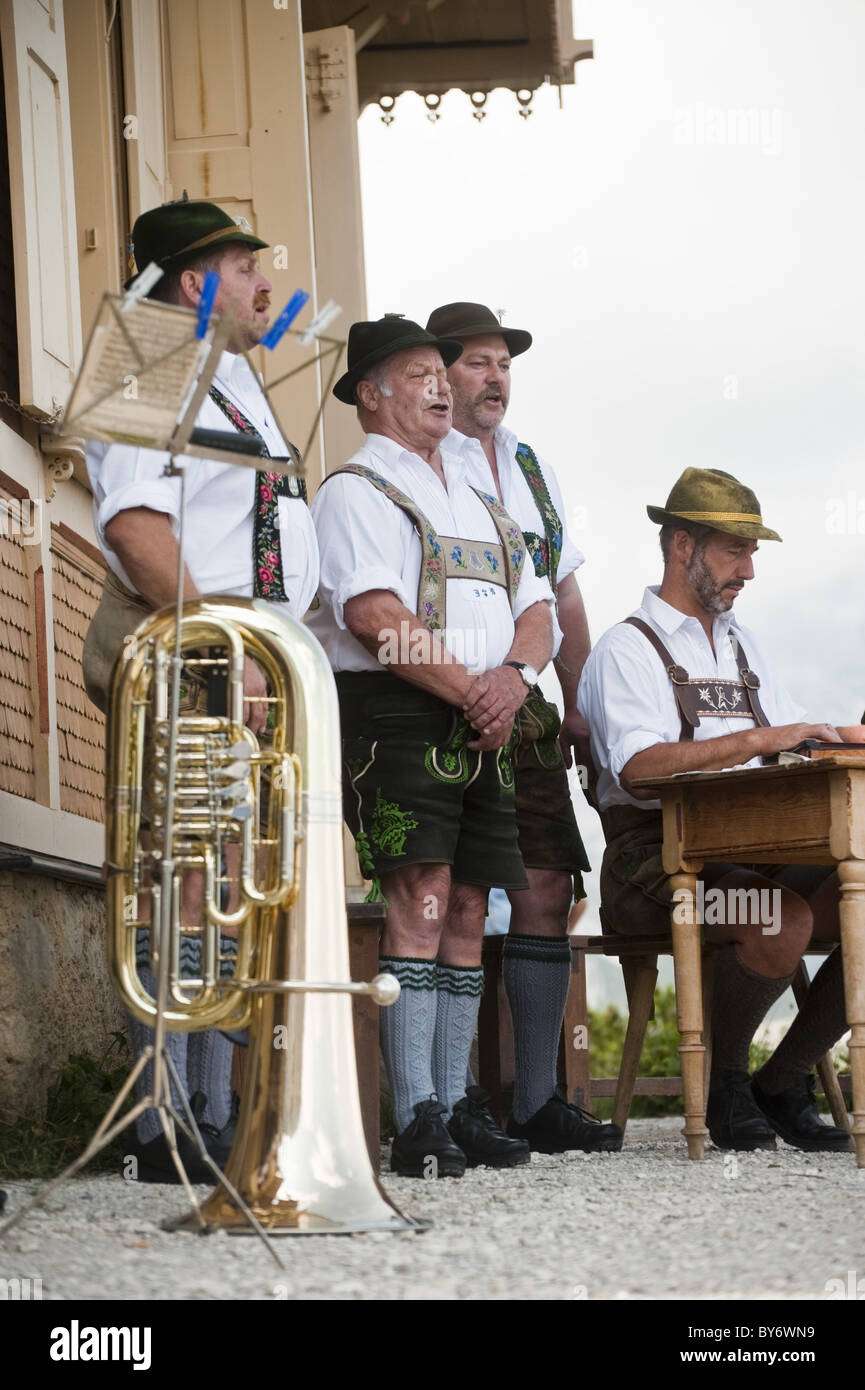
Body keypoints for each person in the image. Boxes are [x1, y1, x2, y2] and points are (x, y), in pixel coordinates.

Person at [82, 199, 320, 1180]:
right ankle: (163, 1123)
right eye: (247, 266)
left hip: (253, 660)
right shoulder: (152, 365)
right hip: (197, 654)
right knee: (183, 880)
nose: (268, 285)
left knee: (231, 877)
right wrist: (227, 646)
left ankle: (219, 1112)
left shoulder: (238, 380)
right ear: (196, 282)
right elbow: (140, 530)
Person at [308, 315, 559, 1176]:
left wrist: (514, 680)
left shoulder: (480, 495)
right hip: (398, 714)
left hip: (484, 712)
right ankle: (413, 1112)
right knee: (417, 897)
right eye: (419, 375)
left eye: (439, 373)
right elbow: (374, 618)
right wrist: (475, 691)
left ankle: (454, 1103)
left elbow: (540, 609)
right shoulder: (354, 490)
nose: (442, 386)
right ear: (371, 397)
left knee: (465, 905)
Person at [578, 466, 856, 1151]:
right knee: (774, 916)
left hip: (755, 853)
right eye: (735, 550)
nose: (749, 571)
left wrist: (836, 738)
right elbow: (639, 769)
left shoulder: (743, 644)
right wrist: (761, 738)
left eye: (751, 552)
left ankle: (781, 1080)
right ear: (680, 547)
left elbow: (794, 742)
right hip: (653, 863)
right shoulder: (625, 648)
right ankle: (725, 1084)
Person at [425, 301, 621, 1154]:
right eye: (476, 361)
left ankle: (539, 1101)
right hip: (445, 690)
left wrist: (577, 705)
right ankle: (454, 1100)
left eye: (503, 362)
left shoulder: (529, 465)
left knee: (549, 885)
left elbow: (562, 593)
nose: (495, 376)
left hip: (530, 696)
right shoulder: (421, 454)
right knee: (450, 890)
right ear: (437, 373)